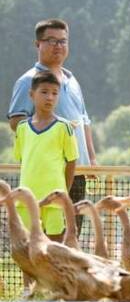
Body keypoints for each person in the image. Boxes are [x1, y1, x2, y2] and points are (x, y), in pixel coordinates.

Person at [7, 18, 96, 232]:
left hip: (77, 171)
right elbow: (16, 120)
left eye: (63, 41)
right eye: (51, 40)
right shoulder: (28, 80)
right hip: (48, 173)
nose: (58, 46)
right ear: (38, 44)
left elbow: (84, 120)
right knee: (42, 239)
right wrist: (52, 130)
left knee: (71, 237)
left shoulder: (72, 80)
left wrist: (91, 158)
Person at [14, 70, 79, 242]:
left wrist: (63, 192)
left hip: (54, 200)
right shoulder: (22, 128)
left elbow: (71, 161)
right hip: (26, 199)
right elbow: (22, 159)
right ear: (31, 94)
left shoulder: (64, 127)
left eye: (54, 93)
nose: (49, 97)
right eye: (44, 92)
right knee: (26, 245)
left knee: (55, 244)